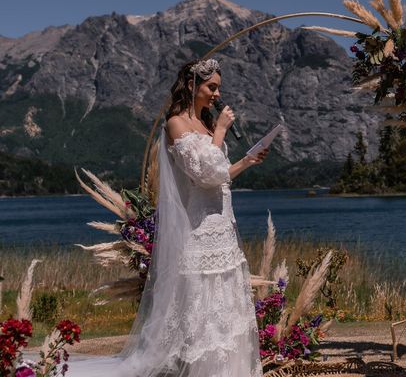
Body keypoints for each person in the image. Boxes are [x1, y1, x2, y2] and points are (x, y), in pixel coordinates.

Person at [68, 57, 267, 376]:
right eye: (211, 87)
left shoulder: (204, 124)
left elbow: (219, 175)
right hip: (198, 230)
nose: (217, 95)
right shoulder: (177, 123)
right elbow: (204, 174)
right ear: (192, 86)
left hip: (221, 225)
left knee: (225, 308)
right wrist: (220, 130)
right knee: (201, 308)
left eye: (218, 88)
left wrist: (247, 161)